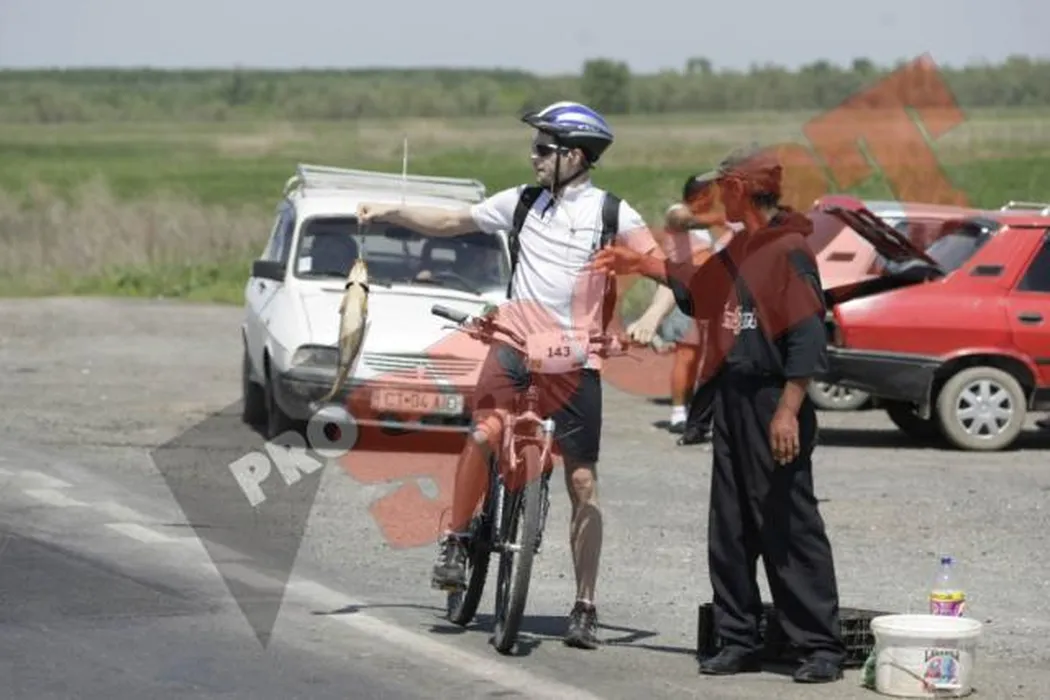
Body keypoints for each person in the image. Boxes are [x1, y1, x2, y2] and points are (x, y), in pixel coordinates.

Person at [356, 101, 660, 650]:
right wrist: (388, 211)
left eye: (544, 149)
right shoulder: (521, 202)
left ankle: (585, 606)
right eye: (535, 147)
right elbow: (452, 221)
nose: (533, 157)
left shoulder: (612, 214)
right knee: (481, 435)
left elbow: (668, 273)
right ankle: (456, 539)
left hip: (574, 360)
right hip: (514, 345)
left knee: (583, 483)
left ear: (575, 156)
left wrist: (651, 320)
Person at [592, 144, 846, 683]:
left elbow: (808, 337)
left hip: (773, 401)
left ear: (739, 189)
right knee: (729, 526)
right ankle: (738, 639)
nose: (713, 197)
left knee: (787, 522)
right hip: (733, 399)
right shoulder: (741, 247)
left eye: (720, 187)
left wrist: (788, 411)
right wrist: (641, 264)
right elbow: (701, 292)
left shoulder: (788, 249)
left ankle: (820, 646)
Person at [626, 173, 733, 444]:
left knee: (705, 357)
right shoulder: (679, 212)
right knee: (687, 355)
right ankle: (678, 412)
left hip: (704, 298)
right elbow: (681, 219)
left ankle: (698, 411)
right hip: (679, 296)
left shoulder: (705, 224)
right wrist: (719, 218)